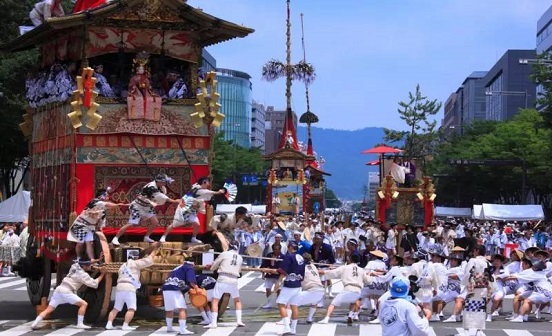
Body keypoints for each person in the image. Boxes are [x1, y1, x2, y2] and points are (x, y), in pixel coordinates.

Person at [30, 257, 107, 330]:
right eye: (89, 265)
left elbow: (85, 261)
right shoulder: (83, 275)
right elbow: (94, 284)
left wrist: (97, 260)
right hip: (67, 292)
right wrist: (103, 274)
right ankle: (80, 324)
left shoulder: (75, 265)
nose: (91, 266)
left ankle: (34, 324)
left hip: (59, 290)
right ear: (84, 266)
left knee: (48, 310)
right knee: (84, 304)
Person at [105, 242, 160, 330]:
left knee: (116, 308)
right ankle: (125, 325)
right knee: (131, 308)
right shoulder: (135, 264)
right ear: (136, 258)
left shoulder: (123, 266)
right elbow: (149, 260)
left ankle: (109, 324)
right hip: (129, 287)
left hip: (120, 287)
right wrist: (154, 250)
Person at [112, 174, 179, 246]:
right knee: (132, 223)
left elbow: (161, 195)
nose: (165, 184)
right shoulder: (151, 187)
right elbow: (162, 197)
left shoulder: (159, 186)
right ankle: (116, 238)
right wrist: (175, 201)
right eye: (164, 182)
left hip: (147, 207)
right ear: (159, 181)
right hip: (137, 206)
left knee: (155, 222)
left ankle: (146, 237)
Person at [160, 177, 225, 244]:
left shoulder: (196, 187)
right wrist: (219, 192)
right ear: (204, 182)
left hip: (191, 210)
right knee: (174, 224)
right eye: (208, 182)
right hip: (184, 209)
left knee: (197, 224)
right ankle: (163, 237)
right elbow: (212, 193)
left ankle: (193, 238)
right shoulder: (199, 190)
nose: (208, 184)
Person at [68, 189, 127, 260]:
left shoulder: (104, 211)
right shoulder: (95, 201)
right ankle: (78, 258)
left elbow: (100, 224)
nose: (107, 197)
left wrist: (101, 234)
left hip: (90, 226)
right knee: (80, 244)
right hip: (81, 224)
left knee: (89, 243)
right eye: (105, 195)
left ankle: (92, 259)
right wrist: (117, 205)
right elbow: (106, 204)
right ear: (100, 196)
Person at [318, 253, 371, 325]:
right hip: (357, 291)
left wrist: (322, 272)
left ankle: (326, 318)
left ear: (350, 259)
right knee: (353, 301)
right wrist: (369, 275)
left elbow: (333, 273)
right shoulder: (362, 270)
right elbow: (368, 281)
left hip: (348, 289)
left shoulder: (344, 267)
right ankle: (350, 315)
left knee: (333, 304)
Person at [203, 243, 245, 328]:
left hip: (223, 278)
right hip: (234, 279)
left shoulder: (224, 254)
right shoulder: (240, 257)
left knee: (215, 300)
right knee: (237, 300)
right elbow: (239, 270)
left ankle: (213, 322)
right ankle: (239, 321)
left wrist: (211, 267)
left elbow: (214, 266)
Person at [273, 240, 306, 335]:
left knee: (280, 303)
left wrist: (278, 282)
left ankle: (286, 327)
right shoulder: (301, 257)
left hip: (290, 284)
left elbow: (283, 270)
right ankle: (293, 329)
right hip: (298, 284)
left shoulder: (289, 256)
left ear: (291, 247)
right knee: (294, 306)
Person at [161, 258, 198, 335]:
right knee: (182, 309)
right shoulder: (189, 267)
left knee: (169, 309)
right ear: (193, 263)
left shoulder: (178, 267)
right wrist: (197, 289)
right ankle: (182, 329)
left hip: (166, 288)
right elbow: (191, 280)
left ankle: (169, 327)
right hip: (174, 288)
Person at [289, 252, 326, 324]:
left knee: (292, 302)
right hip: (321, 291)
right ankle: (309, 318)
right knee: (314, 302)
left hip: (311, 290)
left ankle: (289, 319)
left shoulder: (301, 267)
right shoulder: (313, 266)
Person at [127, 52, 162, 121]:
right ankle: (137, 115)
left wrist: (148, 87)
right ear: (137, 70)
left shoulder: (146, 77)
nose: (141, 70)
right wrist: (134, 87)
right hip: (136, 92)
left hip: (145, 91)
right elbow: (131, 84)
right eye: (140, 69)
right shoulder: (134, 77)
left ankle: (148, 115)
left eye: (142, 69)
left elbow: (148, 84)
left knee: (150, 99)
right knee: (138, 99)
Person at [260, 243, 284, 309]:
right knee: (268, 289)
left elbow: (284, 267)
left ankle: (279, 303)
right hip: (269, 275)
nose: (275, 251)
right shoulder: (269, 255)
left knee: (279, 290)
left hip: (278, 276)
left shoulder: (283, 257)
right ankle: (269, 303)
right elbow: (263, 265)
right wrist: (263, 273)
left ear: (280, 250)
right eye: (274, 249)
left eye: (277, 249)